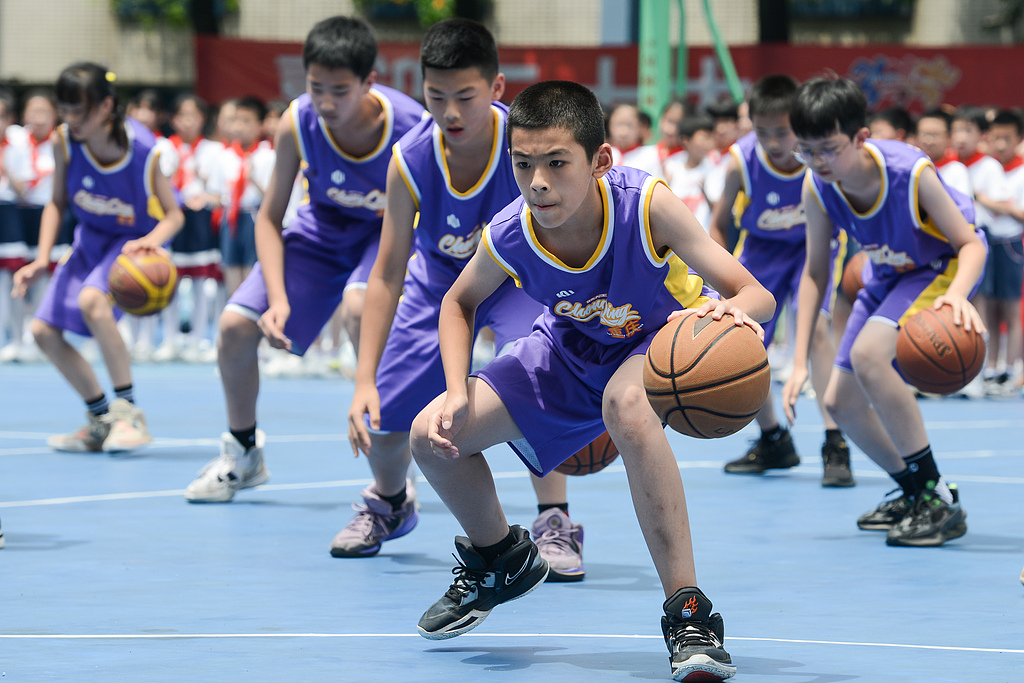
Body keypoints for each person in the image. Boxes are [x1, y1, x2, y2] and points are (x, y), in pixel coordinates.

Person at [409, 80, 774, 682]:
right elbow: (458, 302)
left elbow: (754, 292)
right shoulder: (511, 232)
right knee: (432, 435)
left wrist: (726, 313)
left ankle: (689, 612)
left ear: (600, 160)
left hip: (657, 345)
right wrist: (455, 390)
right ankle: (499, 557)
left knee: (627, 405)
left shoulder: (646, 204)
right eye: (523, 165)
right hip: (566, 354)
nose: (538, 182)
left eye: (557, 163)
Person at [342, 20, 587, 582]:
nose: (449, 112)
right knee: (385, 414)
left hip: (518, 279)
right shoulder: (410, 159)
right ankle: (389, 501)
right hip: (438, 284)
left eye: (465, 96)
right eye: (436, 96)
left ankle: (554, 518)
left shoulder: (525, 147)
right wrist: (363, 378)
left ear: (497, 88)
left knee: (535, 376)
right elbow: (387, 272)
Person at [182, 16, 425, 503]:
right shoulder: (298, 121)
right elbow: (269, 218)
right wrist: (277, 299)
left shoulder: (412, 127)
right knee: (234, 327)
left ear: (368, 81)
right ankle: (244, 454)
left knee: (360, 310)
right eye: (317, 88)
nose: (327, 102)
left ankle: (395, 468)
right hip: (323, 231)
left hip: (389, 233)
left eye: (340, 90)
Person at [781, 77, 987, 547]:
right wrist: (798, 361)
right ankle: (913, 490)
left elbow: (970, 244)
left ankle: (937, 498)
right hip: (887, 275)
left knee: (870, 354)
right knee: (839, 403)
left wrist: (957, 294)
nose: (818, 161)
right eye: (806, 151)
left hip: (939, 266)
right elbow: (815, 273)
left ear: (860, 137)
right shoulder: (818, 185)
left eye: (828, 149)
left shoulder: (910, 172)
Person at [11, 62, 184, 452]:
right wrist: (41, 259)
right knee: (42, 332)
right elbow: (56, 203)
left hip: (132, 242)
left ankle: (129, 414)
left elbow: (174, 215)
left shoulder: (144, 151)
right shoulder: (65, 141)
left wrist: (151, 242)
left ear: (106, 106)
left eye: (79, 111)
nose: (70, 119)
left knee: (93, 300)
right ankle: (101, 419)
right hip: (89, 239)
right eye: (65, 109)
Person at [709, 75, 853, 487]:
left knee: (818, 331)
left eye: (782, 131)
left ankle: (835, 442)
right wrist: (719, 280)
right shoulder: (741, 161)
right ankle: (774, 438)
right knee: (738, 341)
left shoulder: (820, 157)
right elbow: (718, 225)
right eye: (762, 131)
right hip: (762, 252)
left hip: (814, 249)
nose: (773, 141)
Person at [156, 93, 224, 362]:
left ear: (202, 119)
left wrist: (206, 195)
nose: (187, 122)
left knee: (200, 282)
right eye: (181, 116)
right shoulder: (163, 148)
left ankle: (198, 339)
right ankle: (170, 339)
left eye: (192, 116)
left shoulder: (213, 150)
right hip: (171, 217)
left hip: (199, 219)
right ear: (172, 119)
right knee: (169, 280)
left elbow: (220, 191)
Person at [975, 109, 1023, 395]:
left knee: (1011, 310)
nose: (1001, 144)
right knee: (991, 308)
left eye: (1008, 138)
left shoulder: (1021, 171)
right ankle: (992, 367)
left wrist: (989, 202)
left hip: (1011, 246)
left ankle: (1012, 370)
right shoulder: (988, 168)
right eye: (996, 138)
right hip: (988, 242)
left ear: (1019, 139)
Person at [207, 96, 274, 297]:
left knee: (252, 273)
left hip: (255, 216)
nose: (239, 127)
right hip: (231, 218)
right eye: (235, 120)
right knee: (231, 271)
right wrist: (205, 199)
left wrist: (253, 178)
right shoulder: (224, 157)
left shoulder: (268, 156)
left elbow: (273, 197)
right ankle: (234, 308)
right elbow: (215, 194)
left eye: (246, 121)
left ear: (260, 125)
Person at [664, 113, 717, 230]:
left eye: (711, 138)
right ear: (685, 140)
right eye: (705, 138)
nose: (709, 143)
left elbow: (718, 210)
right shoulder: (671, 165)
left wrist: (705, 192)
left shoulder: (714, 169)